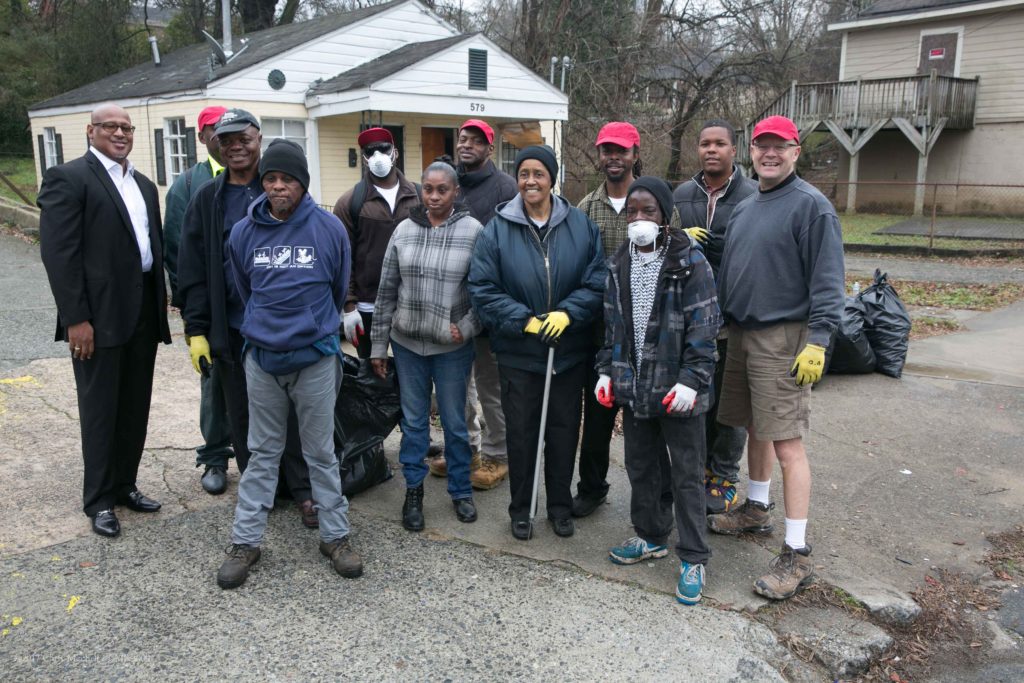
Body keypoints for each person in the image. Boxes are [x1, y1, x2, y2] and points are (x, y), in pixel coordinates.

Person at [709, 115, 845, 600]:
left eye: (779, 147)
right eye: (762, 146)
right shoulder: (748, 206)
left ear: (795, 151)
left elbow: (829, 280)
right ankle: (756, 509)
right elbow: (744, 261)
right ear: (753, 150)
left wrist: (819, 339)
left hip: (785, 338)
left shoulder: (812, 207)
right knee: (752, 426)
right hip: (742, 334)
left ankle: (797, 552)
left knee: (787, 442)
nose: (769, 153)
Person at [218, 139, 361, 588]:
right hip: (261, 360)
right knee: (262, 453)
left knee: (320, 452)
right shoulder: (243, 232)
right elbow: (245, 290)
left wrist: (312, 327)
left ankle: (335, 537)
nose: (278, 187)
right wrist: (267, 327)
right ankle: (245, 542)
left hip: (315, 360)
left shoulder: (329, 229)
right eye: (271, 179)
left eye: (288, 179)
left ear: (302, 183)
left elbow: (339, 289)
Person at [38, 103, 171, 538]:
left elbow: (150, 250)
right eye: (110, 126)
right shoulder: (70, 178)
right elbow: (60, 255)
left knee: (134, 407)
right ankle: (98, 500)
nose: (120, 133)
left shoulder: (145, 185)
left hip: (142, 316)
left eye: (126, 127)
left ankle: (124, 485)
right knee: (100, 411)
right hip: (97, 319)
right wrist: (76, 318)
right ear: (90, 130)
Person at [177, 109, 316, 526]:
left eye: (244, 137)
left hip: (283, 327)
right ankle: (264, 490)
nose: (235, 145)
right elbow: (193, 270)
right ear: (214, 143)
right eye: (226, 139)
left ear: (259, 139)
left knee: (292, 410)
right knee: (242, 413)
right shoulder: (207, 199)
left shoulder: (280, 188)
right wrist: (196, 330)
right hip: (232, 328)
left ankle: (303, 489)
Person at [469, 145, 606, 540]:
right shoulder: (497, 228)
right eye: (524, 173)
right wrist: (524, 321)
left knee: (563, 433)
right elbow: (483, 287)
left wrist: (568, 313)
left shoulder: (581, 225)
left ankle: (560, 507)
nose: (530, 180)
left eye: (538, 173)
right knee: (523, 434)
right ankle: (521, 510)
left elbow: (596, 281)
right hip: (519, 354)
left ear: (552, 178)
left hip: (566, 354)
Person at [596, 176, 720, 605]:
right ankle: (650, 534)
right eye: (632, 211)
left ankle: (693, 556)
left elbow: (705, 328)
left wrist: (691, 380)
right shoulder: (618, 264)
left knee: (687, 474)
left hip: (678, 391)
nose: (638, 219)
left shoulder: (690, 261)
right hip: (636, 390)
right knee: (641, 466)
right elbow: (612, 327)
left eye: (648, 211)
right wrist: (607, 372)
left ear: (665, 217)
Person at [370, 160, 484, 530]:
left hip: (451, 350)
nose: (434, 197)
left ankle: (460, 490)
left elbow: (486, 292)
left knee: (454, 422)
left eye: (442, 190)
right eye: (428, 189)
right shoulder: (403, 230)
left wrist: (466, 327)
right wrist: (377, 346)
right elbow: (386, 291)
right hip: (407, 346)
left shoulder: (473, 232)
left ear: (456, 192)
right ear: (420, 191)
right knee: (415, 423)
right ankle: (414, 491)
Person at [574, 121, 676, 518]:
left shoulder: (655, 204)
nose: (613, 158)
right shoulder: (586, 208)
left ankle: (655, 498)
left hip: (650, 332)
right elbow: (582, 266)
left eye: (621, 150)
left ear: (635, 154)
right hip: (602, 332)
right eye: (606, 151)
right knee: (598, 417)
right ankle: (592, 487)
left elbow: (674, 260)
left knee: (649, 421)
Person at [672, 119, 758, 515]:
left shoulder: (753, 195)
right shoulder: (682, 194)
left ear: (733, 151)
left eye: (719, 144)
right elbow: (664, 243)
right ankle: (696, 471)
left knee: (730, 403)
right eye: (705, 143)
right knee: (697, 398)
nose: (711, 150)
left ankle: (723, 476)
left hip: (734, 316)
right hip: (690, 317)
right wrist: (678, 236)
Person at [426, 119, 518, 491]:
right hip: (452, 303)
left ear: (489, 148)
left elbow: (511, 246)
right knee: (456, 387)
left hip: (489, 303)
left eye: (476, 140)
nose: (467, 145)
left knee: (490, 384)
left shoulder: (505, 187)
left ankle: (499, 454)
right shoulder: (450, 182)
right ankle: (464, 449)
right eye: (463, 138)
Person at [162, 105, 236, 495]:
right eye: (215, 131)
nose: (225, 140)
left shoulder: (257, 179)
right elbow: (177, 253)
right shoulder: (188, 186)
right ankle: (213, 456)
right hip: (210, 308)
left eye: (233, 133)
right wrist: (195, 320)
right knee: (214, 386)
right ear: (203, 137)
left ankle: (256, 458)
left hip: (249, 310)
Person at [333, 127, 420, 359]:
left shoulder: (419, 197)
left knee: (410, 377)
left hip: (411, 303)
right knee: (371, 379)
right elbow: (344, 259)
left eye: (384, 148)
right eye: (370, 151)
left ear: (395, 153)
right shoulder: (350, 202)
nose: (378, 156)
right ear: (364, 158)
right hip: (367, 306)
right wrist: (349, 307)